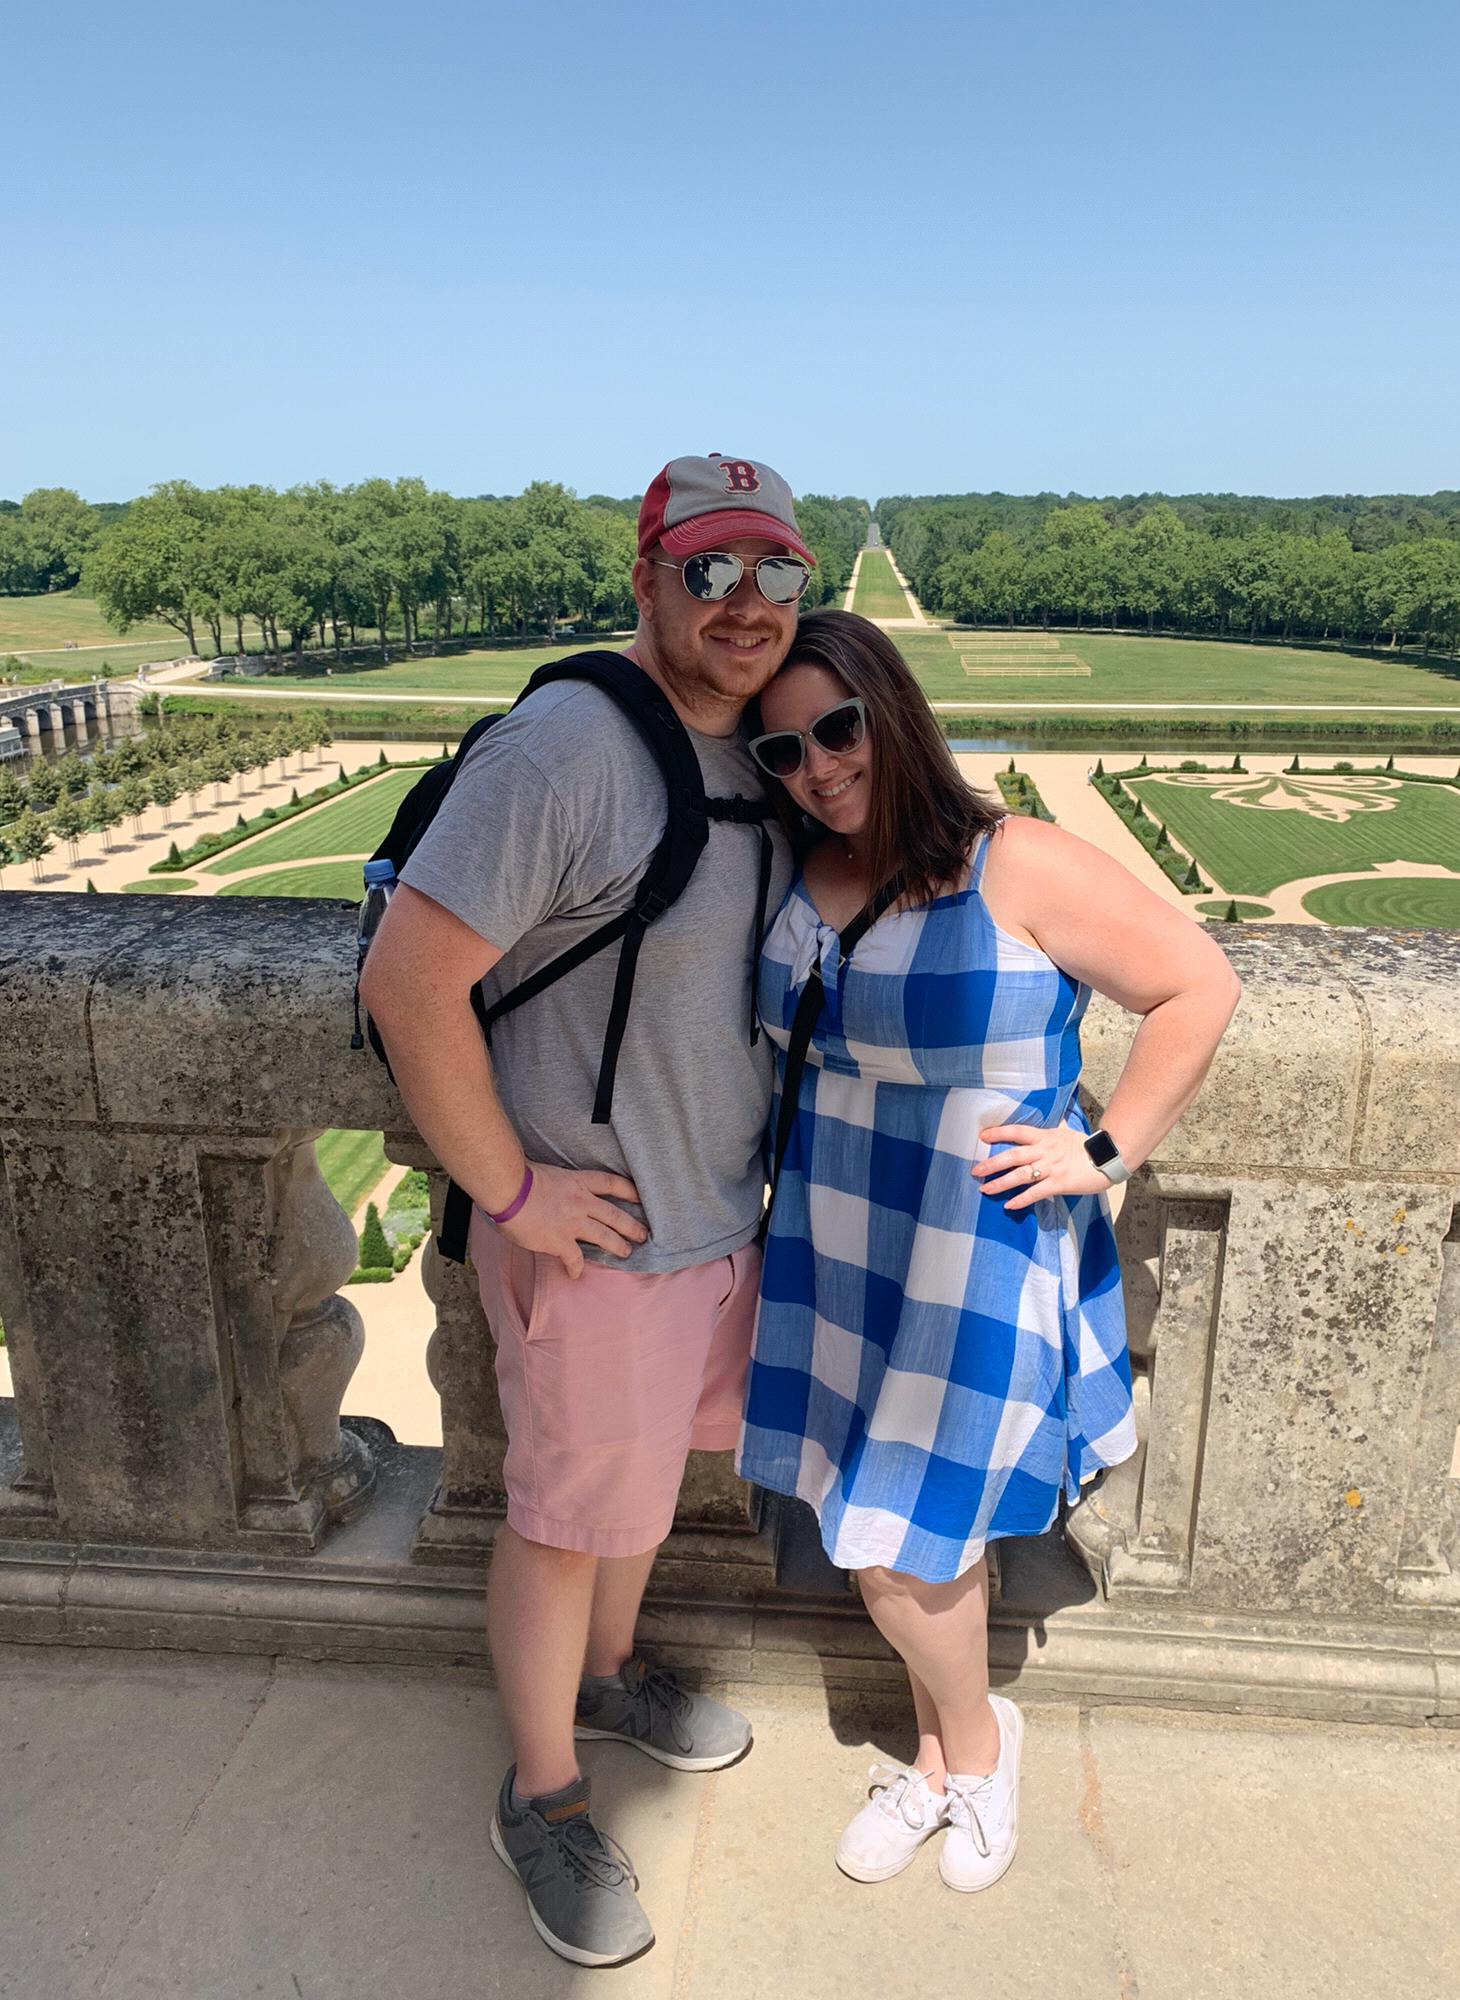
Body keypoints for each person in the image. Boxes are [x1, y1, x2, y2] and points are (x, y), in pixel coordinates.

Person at [359, 455, 815, 1968]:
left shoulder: (751, 741)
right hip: (599, 1243)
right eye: (710, 572)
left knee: (622, 1507)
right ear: (646, 578)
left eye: (776, 573)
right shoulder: (564, 750)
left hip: (702, 1227)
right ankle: (543, 1794)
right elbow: (407, 980)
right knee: (561, 1527)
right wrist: (508, 1189)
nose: (747, 605)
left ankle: (610, 1677)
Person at [737, 609, 1240, 1894]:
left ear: (890, 711)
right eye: (783, 748)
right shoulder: (800, 868)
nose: (819, 766)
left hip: (972, 1256)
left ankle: (975, 1746)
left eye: (838, 728)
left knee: (896, 1542)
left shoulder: (1015, 862)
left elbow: (1198, 983)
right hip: (839, 1242)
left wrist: (1107, 1148)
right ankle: (937, 1750)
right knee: (900, 1529)